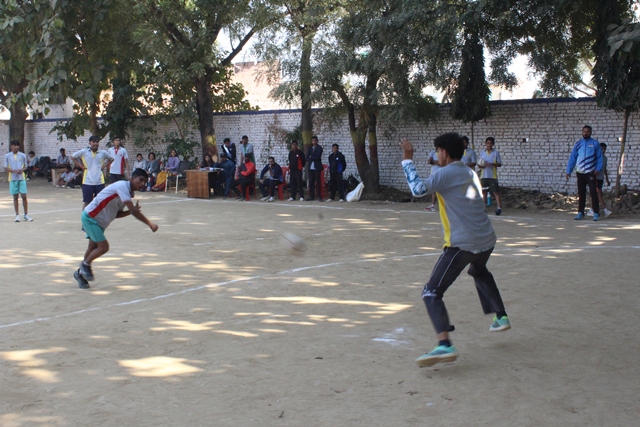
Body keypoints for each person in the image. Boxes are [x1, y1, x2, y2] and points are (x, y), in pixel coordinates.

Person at [399, 133, 510, 368]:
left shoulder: (445, 173)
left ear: (445, 153)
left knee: (431, 292)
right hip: (486, 239)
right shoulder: (469, 172)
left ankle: (444, 344)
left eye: (438, 151)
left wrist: (407, 159)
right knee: (478, 271)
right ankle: (500, 316)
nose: (437, 155)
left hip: (462, 243)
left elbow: (418, 189)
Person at [75, 168, 159, 289]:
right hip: (91, 217)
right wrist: (150, 224)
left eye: (145, 182)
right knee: (103, 247)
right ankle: (85, 265)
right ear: (132, 178)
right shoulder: (122, 187)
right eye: (140, 180)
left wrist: (130, 211)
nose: (142, 184)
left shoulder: (128, 193)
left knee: (92, 248)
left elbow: (117, 214)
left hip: (100, 222)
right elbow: (134, 211)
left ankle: (80, 273)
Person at [565, 125, 603, 221]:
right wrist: (568, 171)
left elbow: (599, 158)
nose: (585, 133)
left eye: (587, 131)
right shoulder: (578, 144)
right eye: (584, 131)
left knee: (593, 193)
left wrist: (598, 169)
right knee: (581, 193)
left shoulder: (595, 143)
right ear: (582, 132)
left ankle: (596, 213)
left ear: (590, 132)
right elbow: (573, 158)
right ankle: (580, 212)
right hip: (580, 173)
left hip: (591, 172)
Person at [71, 135, 114, 209]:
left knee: (100, 202)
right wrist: (80, 166)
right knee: (87, 202)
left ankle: (98, 216)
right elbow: (72, 156)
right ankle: (84, 216)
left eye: (97, 142)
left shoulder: (102, 153)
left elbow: (111, 159)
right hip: (87, 181)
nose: (95, 143)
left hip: (99, 182)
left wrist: (104, 166)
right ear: (90, 143)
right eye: (93, 142)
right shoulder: (84, 152)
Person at [4, 140, 33, 222]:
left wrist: (22, 170)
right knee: (15, 197)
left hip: (21, 178)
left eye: (17, 145)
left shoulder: (22, 155)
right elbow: (6, 168)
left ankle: (26, 214)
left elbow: (26, 166)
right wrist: (14, 171)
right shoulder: (7, 156)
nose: (16, 147)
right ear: (11, 146)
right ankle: (17, 215)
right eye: (14, 145)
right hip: (13, 178)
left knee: (24, 196)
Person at [478, 137, 503, 215]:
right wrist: (481, 166)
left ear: (493, 144)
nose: (489, 145)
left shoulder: (496, 153)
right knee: (484, 192)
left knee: (496, 192)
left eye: (491, 143)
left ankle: (499, 208)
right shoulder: (482, 153)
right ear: (485, 144)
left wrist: (491, 164)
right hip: (483, 175)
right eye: (488, 143)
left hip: (492, 176)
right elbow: (480, 164)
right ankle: (483, 208)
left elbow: (499, 164)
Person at [587, 142, 612, 218]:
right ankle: (605, 209)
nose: (603, 150)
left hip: (601, 178)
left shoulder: (605, 158)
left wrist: (607, 179)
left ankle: (591, 209)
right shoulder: (595, 158)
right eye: (601, 149)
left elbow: (604, 169)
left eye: (604, 149)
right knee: (599, 193)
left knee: (597, 194)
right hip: (595, 178)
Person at [306, 135, 324, 201]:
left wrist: (311, 157)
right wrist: (311, 157)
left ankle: (319, 196)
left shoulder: (319, 148)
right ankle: (311, 196)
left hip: (317, 167)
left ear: (317, 141)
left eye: (315, 140)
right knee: (311, 182)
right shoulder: (310, 148)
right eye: (313, 141)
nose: (314, 142)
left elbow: (318, 157)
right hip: (311, 167)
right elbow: (307, 157)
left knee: (318, 182)